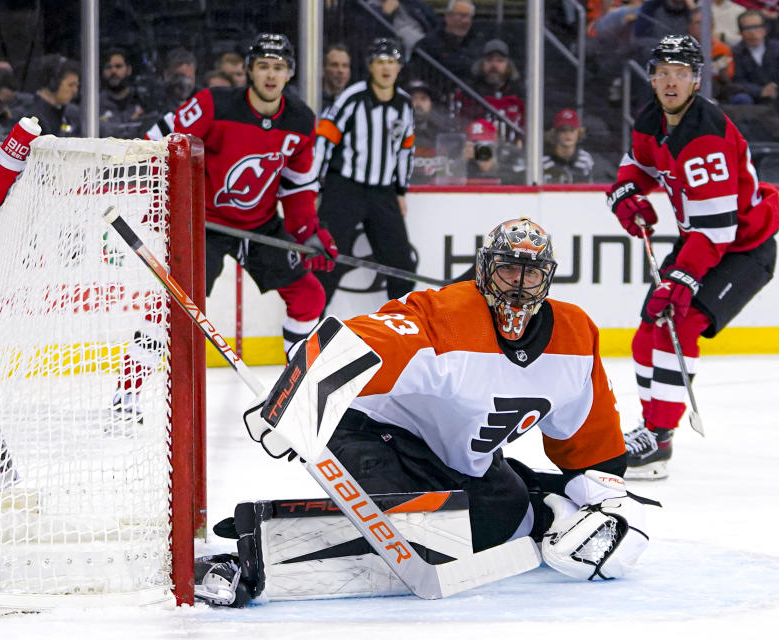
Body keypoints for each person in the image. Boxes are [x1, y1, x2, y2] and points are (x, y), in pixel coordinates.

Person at [195, 218, 650, 606]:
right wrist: (293, 400)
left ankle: (543, 504)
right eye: (509, 269)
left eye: (531, 274)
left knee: (501, 528)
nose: (519, 283)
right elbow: (352, 339)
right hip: (368, 431)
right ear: (485, 271)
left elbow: (589, 442)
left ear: (547, 279)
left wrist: (606, 501)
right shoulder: (441, 317)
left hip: (459, 459)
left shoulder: (574, 337)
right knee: (422, 535)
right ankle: (255, 555)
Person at [119, 33, 336, 418]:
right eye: (264, 66)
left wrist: (307, 235)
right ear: (250, 70)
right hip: (204, 224)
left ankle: (295, 389)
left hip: (260, 227)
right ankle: (127, 392)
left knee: (309, 297)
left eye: (279, 67)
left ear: (290, 74)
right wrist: (158, 206)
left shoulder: (302, 121)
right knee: (175, 305)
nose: (271, 75)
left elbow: (297, 190)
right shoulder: (213, 105)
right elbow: (156, 148)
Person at [605, 35, 779, 479]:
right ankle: (650, 429)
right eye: (662, 71)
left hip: (742, 249)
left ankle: (660, 440)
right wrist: (626, 194)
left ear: (696, 79)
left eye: (680, 73)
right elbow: (639, 165)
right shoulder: (653, 118)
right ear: (651, 76)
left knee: (675, 327)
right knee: (647, 332)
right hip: (700, 242)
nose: (670, 81)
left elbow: (719, 228)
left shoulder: (706, 136)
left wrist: (682, 280)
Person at [312, 37, 417, 306]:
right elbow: (324, 139)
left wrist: (401, 190)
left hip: (382, 193)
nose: (386, 68)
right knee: (328, 261)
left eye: (392, 62)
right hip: (344, 188)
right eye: (381, 62)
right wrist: (313, 186)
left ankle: (402, 331)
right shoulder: (352, 97)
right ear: (370, 66)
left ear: (399, 67)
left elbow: (405, 149)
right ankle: (310, 331)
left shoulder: (404, 104)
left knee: (401, 265)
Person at [457, 39, 525, 143]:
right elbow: (462, 125)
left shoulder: (519, 93)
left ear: (508, 65)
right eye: (489, 60)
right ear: (482, 64)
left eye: (500, 60)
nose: (494, 65)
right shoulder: (469, 92)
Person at [414, 0, 488, 84]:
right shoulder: (428, 44)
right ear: (448, 17)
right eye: (462, 16)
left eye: (469, 17)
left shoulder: (478, 42)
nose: (465, 21)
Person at [28, 54, 81, 137]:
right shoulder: (33, 118)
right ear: (53, 83)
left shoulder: (67, 114)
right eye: (71, 85)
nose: (75, 91)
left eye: (77, 86)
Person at [98, 48, 146, 135]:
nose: (113, 71)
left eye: (118, 66)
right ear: (103, 72)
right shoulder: (95, 106)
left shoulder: (143, 100)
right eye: (108, 67)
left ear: (129, 70)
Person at [542, 109, 596, 184]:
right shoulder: (543, 161)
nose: (568, 134)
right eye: (563, 130)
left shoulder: (586, 159)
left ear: (579, 132)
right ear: (555, 133)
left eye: (572, 130)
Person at [321, 43, 352, 111]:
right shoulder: (314, 99)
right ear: (323, 69)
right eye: (334, 65)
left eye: (345, 65)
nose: (340, 70)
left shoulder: (353, 102)